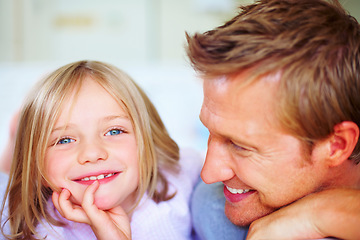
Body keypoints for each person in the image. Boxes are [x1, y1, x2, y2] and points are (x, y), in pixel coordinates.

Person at [186, 0, 360, 239]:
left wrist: (320, 214)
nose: (209, 174)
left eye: (240, 145)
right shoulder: (212, 207)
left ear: (336, 145)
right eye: (210, 133)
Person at [0, 60, 202, 239]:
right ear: (37, 166)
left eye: (114, 131)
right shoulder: (39, 230)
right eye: (64, 140)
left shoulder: (181, 174)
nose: (92, 153)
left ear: (149, 144)